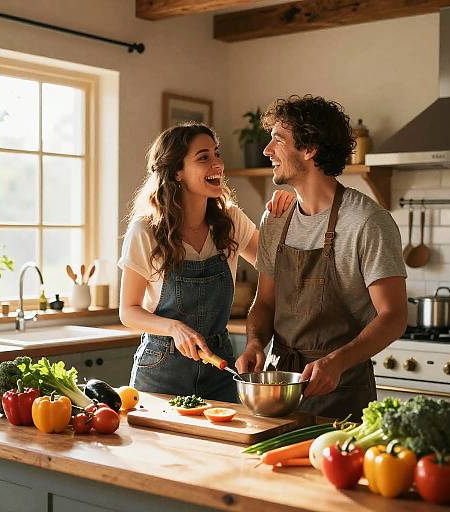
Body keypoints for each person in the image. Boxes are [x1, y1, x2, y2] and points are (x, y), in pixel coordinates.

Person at [236, 95, 407, 421]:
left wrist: (337, 362)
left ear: (309, 148)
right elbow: (265, 303)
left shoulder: (367, 221)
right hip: (280, 390)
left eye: (277, 140)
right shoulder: (275, 219)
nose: (266, 150)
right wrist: (254, 344)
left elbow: (394, 316)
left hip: (341, 390)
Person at [118, 122, 292, 403]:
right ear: (177, 172)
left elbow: (276, 265)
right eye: (204, 157)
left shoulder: (231, 220)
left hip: (220, 369)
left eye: (217, 154)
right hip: (160, 371)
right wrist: (173, 328)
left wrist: (279, 221)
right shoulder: (146, 231)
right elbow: (128, 312)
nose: (218, 164)